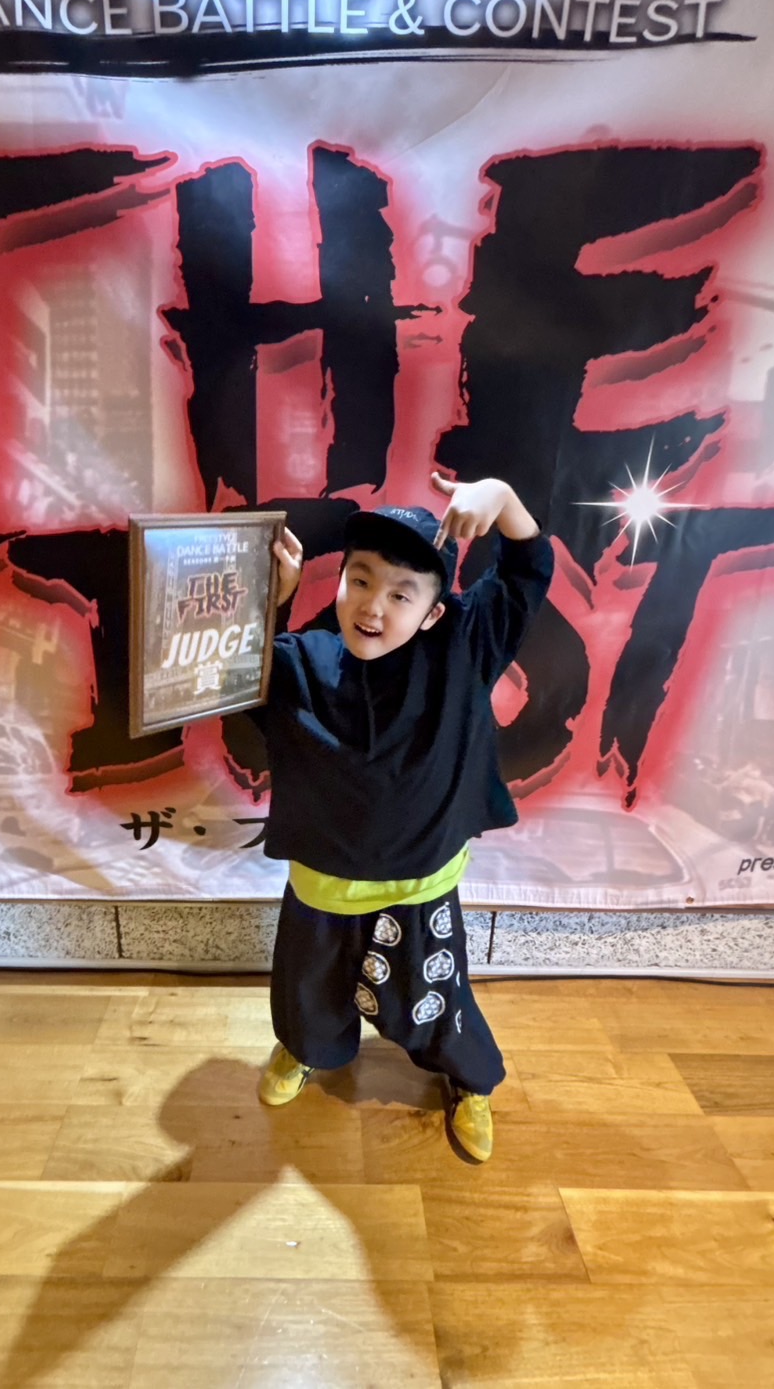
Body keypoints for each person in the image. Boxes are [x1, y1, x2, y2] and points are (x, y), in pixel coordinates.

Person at [252, 471, 552, 1163]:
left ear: (434, 612)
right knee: (308, 990)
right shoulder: (301, 662)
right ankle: (304, 1047)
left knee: (435, 997)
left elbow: (524, 573)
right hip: (323, 884)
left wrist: (504, 496)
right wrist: (273, 601)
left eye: (400, 593)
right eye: (359, 580)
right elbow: (232, 672)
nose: (372, 606)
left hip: (420, 883)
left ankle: (468, 1080)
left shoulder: (463, 651)